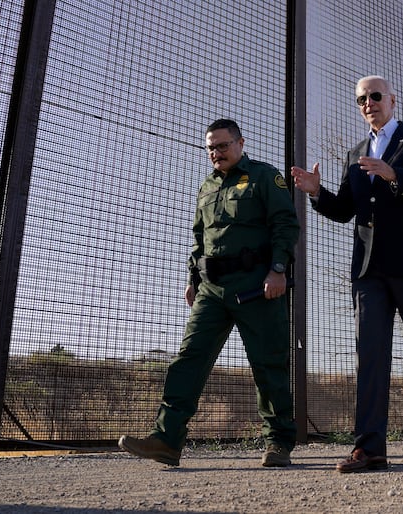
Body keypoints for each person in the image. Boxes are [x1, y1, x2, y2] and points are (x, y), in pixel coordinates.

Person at [291, 75, 403, 472]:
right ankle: (370, 447)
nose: (368, 103)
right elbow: (345, 210)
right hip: (368, 270)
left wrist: (394, 175)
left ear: (392, 99)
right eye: (361, 99)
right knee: (370, 355)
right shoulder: (356, 152)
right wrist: (317, 192)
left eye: (375, 96)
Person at [118, 119, 300, 467]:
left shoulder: (264, 176)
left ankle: (278, 441)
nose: (216, 153)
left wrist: (278, 270)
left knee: (268, 364)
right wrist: (192, 278)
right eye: (211, 148)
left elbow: (285, 224)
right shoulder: (206, 187)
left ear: (240, 143)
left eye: (222, 145)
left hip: (256, 286)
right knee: (189, 359)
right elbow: (200, 237)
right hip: (211, 290)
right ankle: (167, 439)